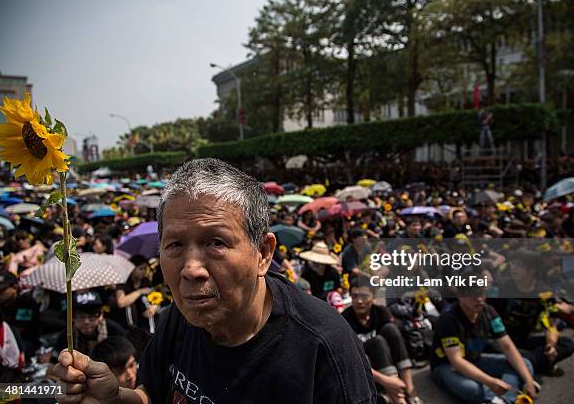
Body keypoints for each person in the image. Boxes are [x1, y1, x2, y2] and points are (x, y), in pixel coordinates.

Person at [54, 158, 376, 404]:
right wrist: (114, 398)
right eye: (175, 245)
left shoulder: (325, 349)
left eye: (216, 243)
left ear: (263, 253)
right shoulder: (179, 319)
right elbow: (150, 394)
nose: (192, 269)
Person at [431, 281, 537, 404]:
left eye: (482, 293)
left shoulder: (488, 311)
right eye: (473, 295)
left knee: (525, 364)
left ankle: (503, 399)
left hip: (473, 359)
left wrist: (529, 381)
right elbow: (456, 361)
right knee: (473, 389)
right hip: (447, 366)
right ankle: (504, 395)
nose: (479, 299)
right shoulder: (448, 319)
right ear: (460, 296)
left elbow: (507, 346)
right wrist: (490, 381)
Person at [342, 276, 424, 404]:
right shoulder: (344, 320)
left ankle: (409, 390)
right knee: (377, 342)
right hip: (366, 372)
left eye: (364, 296)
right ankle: (399, 399)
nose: (359, 301)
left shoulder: (381, 312)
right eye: (354, 296)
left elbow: (396, 342)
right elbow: (349, 361)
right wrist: (386, 380)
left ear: (373, 297)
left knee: (391, 329)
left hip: (389, 366)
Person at [55, 290, 126, 356]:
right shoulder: (66, 336)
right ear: (73, 318)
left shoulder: (115, 332)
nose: (86, 322)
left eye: (91, 316)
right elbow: (55, 360)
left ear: (101, 315)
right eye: (81, 316)